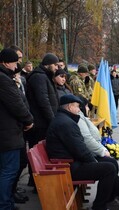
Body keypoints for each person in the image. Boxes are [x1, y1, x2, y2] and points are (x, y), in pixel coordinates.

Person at [46, 95, 119, 210]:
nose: (79, 109)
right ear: (70, 107)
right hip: (68, 167)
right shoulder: (66, 123)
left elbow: (79, 148)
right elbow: (80, 149)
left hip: (72, 162)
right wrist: (94, 161)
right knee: (109, 169)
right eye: (77, 107)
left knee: (111, 163)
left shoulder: (64, 119)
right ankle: (100, 205)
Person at [0, 48, 34, 210]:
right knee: (8, 171)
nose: (17, 65)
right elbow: (17, 104)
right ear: (6, 62)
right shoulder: (4, 79)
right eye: (15, 62)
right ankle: (5, 204)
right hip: (8, 134)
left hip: (7, 133)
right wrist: (28, 120)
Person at [26, 53, 59, 186]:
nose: (57, 68)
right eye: (55, 65)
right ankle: (36, 182)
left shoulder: (44, 76)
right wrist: (53, 120)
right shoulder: (39, 77)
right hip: (41, 124)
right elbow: (43, 101)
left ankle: (35, 181)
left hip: (43, 122)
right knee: (38, 156)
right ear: (48, 64)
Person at [77, 96, 119, 174]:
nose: (88, 109)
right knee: (111, 165)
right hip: (89, 155)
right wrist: (102, 151)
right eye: (86, 106)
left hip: (92, 152)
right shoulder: (79, 119)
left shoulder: (81, 117)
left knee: (112, 164)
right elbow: (87, 139)